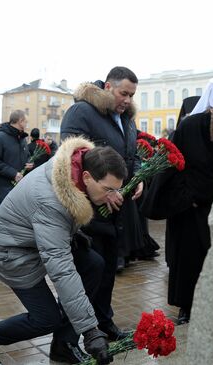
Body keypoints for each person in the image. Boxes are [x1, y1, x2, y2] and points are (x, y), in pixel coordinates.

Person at [0, 137, 125, 365]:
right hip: (11, 250)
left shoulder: (77, 167)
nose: (113, 196)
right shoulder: (50, 201)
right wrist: (91, 330)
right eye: (109, 189)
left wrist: (72, 231)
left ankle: (64, 345)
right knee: (46, 319)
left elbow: (69, 209)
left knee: (93, 265)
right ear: (88, 177)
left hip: (36, 238)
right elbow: (61, 270)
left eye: (116, 190)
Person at [58, 66, 143, 352]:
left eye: (132, 95)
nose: (128, 100)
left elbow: (132, 154)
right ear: (108, 87)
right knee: (87, 272)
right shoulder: (82, 112)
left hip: (117, 209)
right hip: (89, 211)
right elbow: (71, 158)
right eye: (123, 93)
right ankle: (73, 335)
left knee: (108, 270)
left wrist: (137, 178)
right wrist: (100, 192)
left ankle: (104, 323)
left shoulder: (127, 119)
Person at [165, 77, 213, 324]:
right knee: (190, 262)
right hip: (192, 211)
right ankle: (187, 307)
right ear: (211, 109)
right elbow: (172, 166)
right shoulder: (189, 128)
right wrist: (187, 198)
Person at [0, 109, 33, 210]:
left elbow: (27, 156)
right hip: (3, 189)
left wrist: (30, 163)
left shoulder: (22, 139)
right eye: (26, 121)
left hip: (20, 188)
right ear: (20, 121)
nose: (26, 124)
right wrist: (13, 174)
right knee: (4, 221)